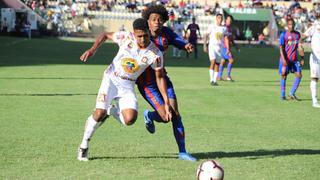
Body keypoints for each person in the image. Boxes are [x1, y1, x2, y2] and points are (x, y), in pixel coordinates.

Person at [77, 18, 172, 161]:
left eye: (145, 35)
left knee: (129, 119)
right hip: (111, 80)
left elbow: (159, 78)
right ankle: (84, 145)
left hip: (128, 86)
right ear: (134, 34)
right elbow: (104, 35)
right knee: (98, 113)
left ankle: (112, 111)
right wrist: (92, 50)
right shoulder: (125, 37)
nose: (142, 39)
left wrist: (166, 102)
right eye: (139, 36)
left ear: (148, 32)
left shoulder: (155, 54)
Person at [138, 5, 197, 161]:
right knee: (165, 117)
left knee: (175, 114)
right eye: (153, 19)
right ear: (148, 21)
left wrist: (186, 46)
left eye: (160, 19)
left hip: (162, 78)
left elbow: (179, 41)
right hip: (147, 83)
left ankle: (182, 152)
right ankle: (150, 115)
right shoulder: (141, 34)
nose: (157, 22)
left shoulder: (166, 34)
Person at [278, 18, 304, 101]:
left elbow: (299, 47)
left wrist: (302, 58)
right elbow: (281, 48)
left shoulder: (298, 34)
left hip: (294, 59)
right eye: (289, 24)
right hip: (285, 59)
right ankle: (282, 95)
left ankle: (291, 93)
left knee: (299, 75)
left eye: (292, 24)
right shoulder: (283, 35)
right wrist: (283, 59)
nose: (291, 26)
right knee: (283, 76)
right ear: (287, 25)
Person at [203, 14, 230, 86]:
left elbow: (226, 38)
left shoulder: (224, 28)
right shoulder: (212, 26)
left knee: (217, 64)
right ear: (216, 18)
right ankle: (211, 79)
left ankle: (214, 81)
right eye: (218, 18)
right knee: (213, 61)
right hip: (212, 47)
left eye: (221, 18)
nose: (220, 19)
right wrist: (205, 45)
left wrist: (227, 49)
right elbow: (205, 35)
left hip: (219, 48)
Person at [303, 17, 320, 108]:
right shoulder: (314, 27)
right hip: (315, 58)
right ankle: (314, 101)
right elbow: (303, 36)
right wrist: (299, 45)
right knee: (314, 78)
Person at [218, 15, 240, 81]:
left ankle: (219, 76)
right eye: (228, 20)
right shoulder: (225, 28)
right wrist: (227, 49)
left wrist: (236, 46)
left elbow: (231, 39)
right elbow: (226, 38)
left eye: (231, 20)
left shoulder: (230, 28)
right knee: (231, 60)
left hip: (225, 47)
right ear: (226, 20)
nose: (230, 21)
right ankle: (228, 76)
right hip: (224, 47)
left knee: (223, 61)